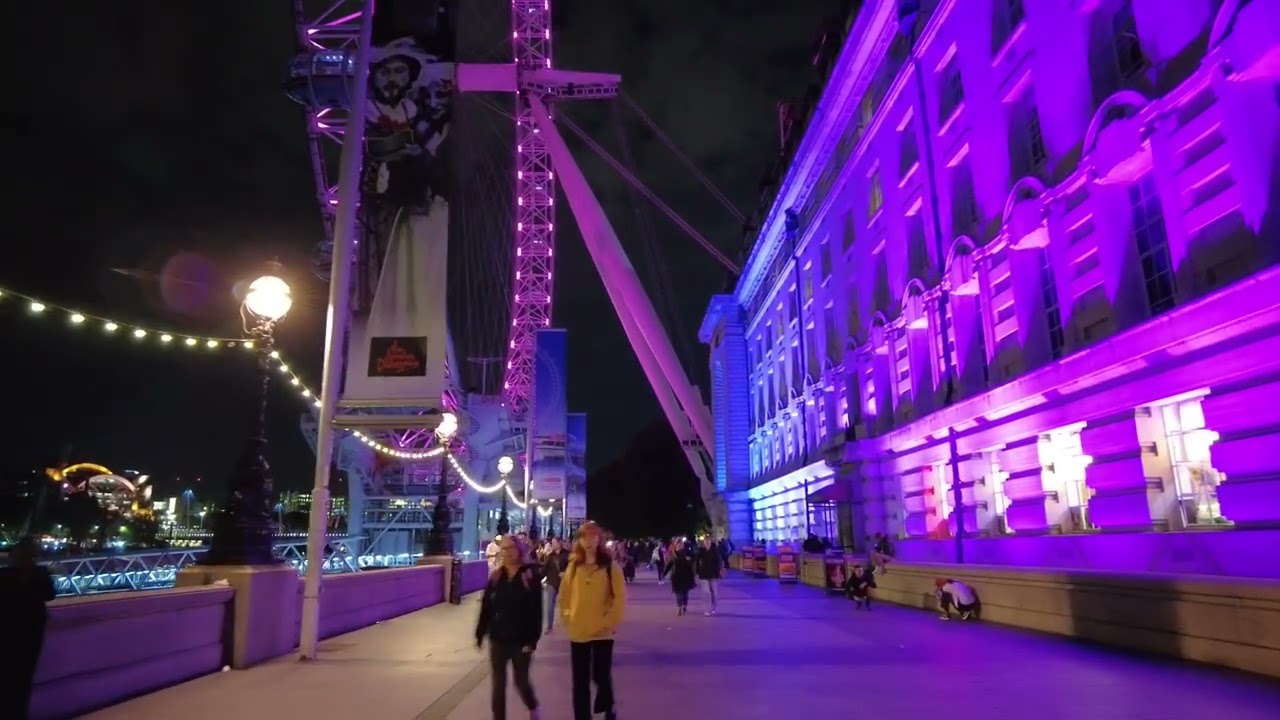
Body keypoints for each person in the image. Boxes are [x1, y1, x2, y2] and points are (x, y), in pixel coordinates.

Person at [557, 521, 625, 720]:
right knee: (580, 682)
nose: (588, 541)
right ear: (579, 540)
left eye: (593, 536)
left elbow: (619, 598)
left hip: (602, 632)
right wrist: (567, 617)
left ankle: (608, 706)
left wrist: (609, 621)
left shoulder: (609, 566)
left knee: (600, 675)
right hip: (578, 631)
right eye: (584, 536)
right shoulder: (573, 566)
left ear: (599, 539)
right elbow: (564, 595)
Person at [476, 535, 543, 720]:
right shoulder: (497, 577)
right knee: (498, 686)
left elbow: (537, 610)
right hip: (498, 638)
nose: (506, 552)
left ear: (519, 550)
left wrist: (533, 640)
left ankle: (533, 705)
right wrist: (480, 631)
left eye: (510, 548)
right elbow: (487, 606)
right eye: (503, 549)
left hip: (521, 640)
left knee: (520, 682)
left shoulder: (529, 575)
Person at [0, 537, 55, 720]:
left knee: (6, 675)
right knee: (24, 677)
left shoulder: (3, 575)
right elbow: (50, 595)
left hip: (7, 631)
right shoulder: (40, 573)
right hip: (32, 631)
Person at [540, 537, 568, 633]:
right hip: (551, 582)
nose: (552, 544)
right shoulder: (550, 556)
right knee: (550, 606)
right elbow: (544, 570)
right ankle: (549, 626)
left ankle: (568, 623)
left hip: (563, 583)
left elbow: (571, 567)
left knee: (565, 604)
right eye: (552, 543)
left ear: (560, 543)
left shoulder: (567, 554)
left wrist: (565, 572)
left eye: (554, 542)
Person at [695, 537, 723, 616]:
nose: (707, 543)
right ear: (704, 543)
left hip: (713, 574)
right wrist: (697, 572)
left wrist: (719, 571)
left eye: (708, 542)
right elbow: (697, 562)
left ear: (710, 542)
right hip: (703, 574)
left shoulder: (715, 551)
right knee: (706, 592)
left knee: (714, 592)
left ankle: (713, 607)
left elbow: (719, 562)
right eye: (705, 542)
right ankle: (707, 609)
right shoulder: (701, 551)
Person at [668, 545, 696, 616]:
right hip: (676, 577)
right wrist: (664, 573)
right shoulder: (673, 554)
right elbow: (670, 564)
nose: (679, 547)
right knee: (678, 593)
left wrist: (687, 559)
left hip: (686, 576)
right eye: (677, 545)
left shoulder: (687, 554)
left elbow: (691, 562)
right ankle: (679, 608)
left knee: (685, 593)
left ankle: (684, 605)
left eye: (680, 545)